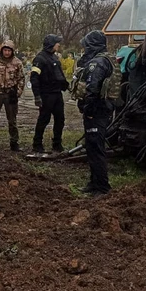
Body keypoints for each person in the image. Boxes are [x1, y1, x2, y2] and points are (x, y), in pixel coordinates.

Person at [73, 30, 114, 196]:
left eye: (86, 45)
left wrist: (88, 110)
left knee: (96, 149)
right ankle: (94, 182)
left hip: (96, 111)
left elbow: (92, 89)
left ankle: (102, 187)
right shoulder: (106, 58)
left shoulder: (98, 62)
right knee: (91, 147)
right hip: (101, 109)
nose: (84, 48)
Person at [31, 35, 68, 153]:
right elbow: (34, 78)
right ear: (51, 44)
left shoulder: (55, 58)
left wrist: (65, 84)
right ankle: (37, 144)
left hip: (57, 94)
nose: (59, 45)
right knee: (43, 119)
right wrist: (37, 96)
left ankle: (57, 144)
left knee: (60, 119)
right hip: (46, 95)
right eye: (57, 43)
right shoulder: (39, 59)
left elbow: (59, 75)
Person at [0, 40, 25, 151]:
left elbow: (21, 78)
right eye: (5, 50)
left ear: (12, 51)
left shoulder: (17, 63)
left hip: (10, 94)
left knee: (12, 120)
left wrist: (18, 92)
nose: (7, 53)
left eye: (9, 51)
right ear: (2, 50)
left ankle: (14, 142)